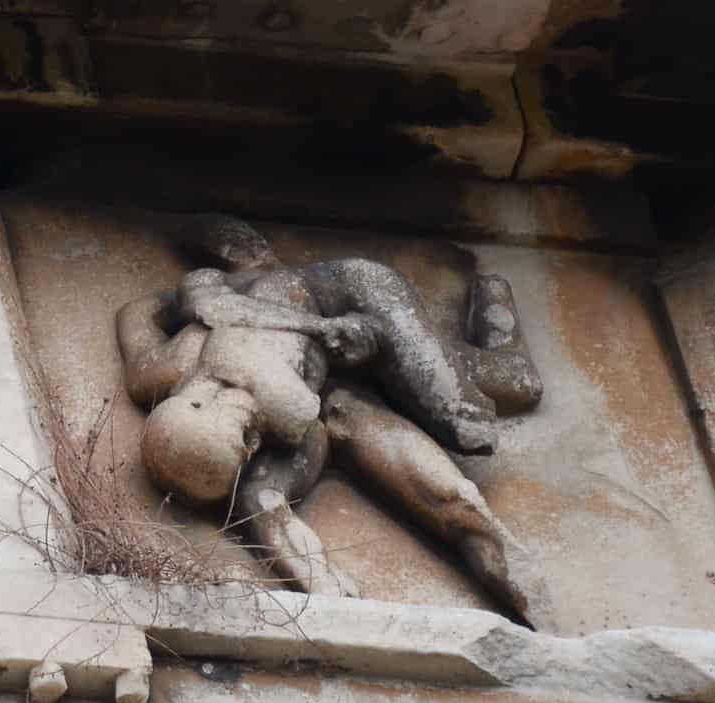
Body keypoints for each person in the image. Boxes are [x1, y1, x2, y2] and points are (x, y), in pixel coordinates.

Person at [117, 216, 540, 618]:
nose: (250, 427)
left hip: (353, 293)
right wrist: (323, 589)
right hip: (336, 374)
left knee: (465, 417)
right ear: (246, 453)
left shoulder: (168, 365)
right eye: (248, 439)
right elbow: (271, 507)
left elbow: (135, 312)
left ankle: (497, 312)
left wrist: (181, 302)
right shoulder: (272, 441)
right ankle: (512, 569)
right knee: (450, 459)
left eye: (225, 407)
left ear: (190, 401)